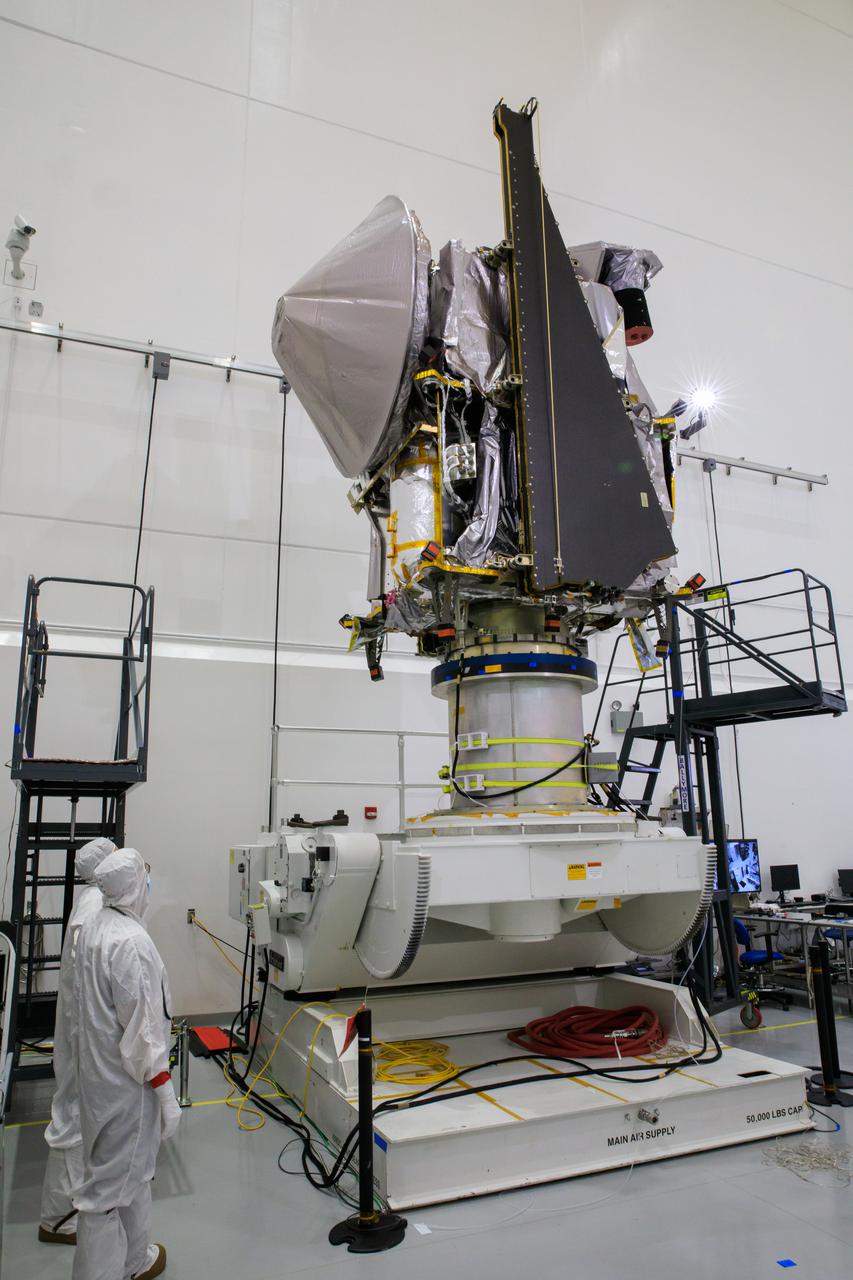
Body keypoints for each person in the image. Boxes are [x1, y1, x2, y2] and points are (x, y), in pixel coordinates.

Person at [70, 848, 181, 1280]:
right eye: (145, 877)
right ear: (135, 886)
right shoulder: (131, 944)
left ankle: (135, 1259)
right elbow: (143, 1034)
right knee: (105, 1196)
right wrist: (166, 1095)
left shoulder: (98, 926)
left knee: (132, 1176)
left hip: (101, 1082)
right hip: (128, 1090)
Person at [39, 836, 117, 1244]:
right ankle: (61, 1219)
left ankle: (60, 1213)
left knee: (72, 1112)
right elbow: (96, 983)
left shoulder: (88, 901)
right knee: (73, 1115)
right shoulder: (93, 911)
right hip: (84, 1034)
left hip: (79, 1030)